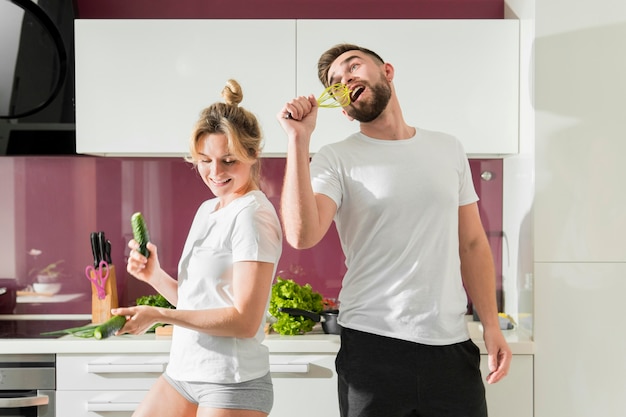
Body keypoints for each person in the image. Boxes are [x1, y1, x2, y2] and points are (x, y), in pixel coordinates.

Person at [277, 44, 512, 417]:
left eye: (354, 66)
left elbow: (471, 244)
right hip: (372, 349)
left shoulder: (448, 148)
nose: (345, 78)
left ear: (387, 71)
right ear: (339, 105)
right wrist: (297, 139)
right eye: (335, 82)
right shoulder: (335, 158)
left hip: (450, 347)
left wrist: (491, 327)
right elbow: (302, 235)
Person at [113, 79, 283, 417]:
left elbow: (244, 322)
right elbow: (202, 302)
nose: (214, 172)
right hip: (184, 371)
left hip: (231, 381)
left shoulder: (253, 216)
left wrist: (159, 315)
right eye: (205, 160)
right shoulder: (209, 209)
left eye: (229, 160)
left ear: (253, 154)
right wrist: (156, 277)